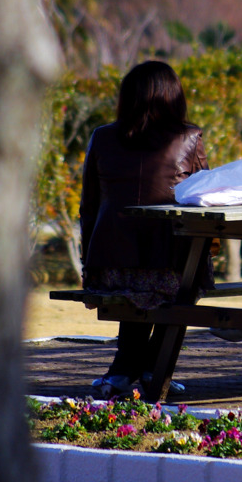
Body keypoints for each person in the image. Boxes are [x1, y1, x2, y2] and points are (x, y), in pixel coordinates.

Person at [80, 61, 210, 397]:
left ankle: (124, 372)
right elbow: (204, 200)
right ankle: (154, 369)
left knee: (142, 285)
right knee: (183, 285)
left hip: (110, 266)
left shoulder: (102, 137)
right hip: (170, 263)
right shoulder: (190, 138)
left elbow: (89, 207)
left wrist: (89, 265)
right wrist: (208, 257)